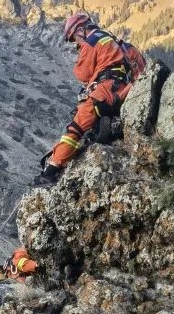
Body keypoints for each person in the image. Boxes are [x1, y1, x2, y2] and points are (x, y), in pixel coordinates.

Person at [37, 12, 144, 185]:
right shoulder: (123, 44)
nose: (76, 44)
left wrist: (84, 58)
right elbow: (141, 69)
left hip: (103, 91)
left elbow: (83, 74)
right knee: (94, 129)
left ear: (80, 30)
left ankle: (50, 172)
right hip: (123, 92)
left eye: (74, 39)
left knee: (75, 129)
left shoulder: (91, 42)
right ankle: (107, 129)